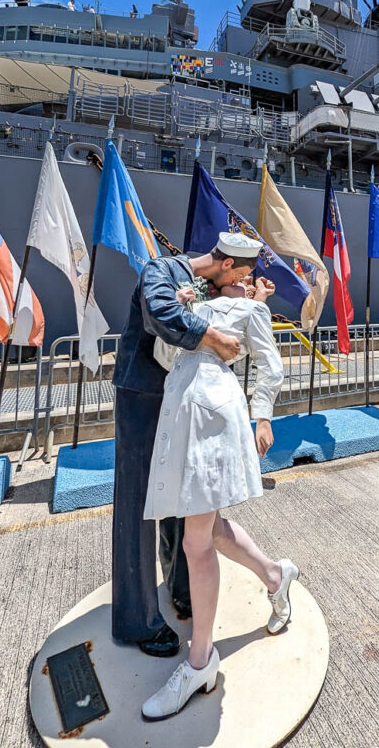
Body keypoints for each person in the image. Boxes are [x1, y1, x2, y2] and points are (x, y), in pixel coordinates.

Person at [141, 277, 299, 721]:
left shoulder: (252, 312)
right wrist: (176, 307)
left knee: (195, 540)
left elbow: (270, 365)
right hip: (181, 412)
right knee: (206, 530)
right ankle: (275, 574)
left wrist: (262, 414)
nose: (243, 283)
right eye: (238, 275)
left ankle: (199, 662)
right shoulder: (196, 307)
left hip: (212, 417)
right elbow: (164, 356)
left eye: (248, 277)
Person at [111, 232, 262, 657]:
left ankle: (183, 591)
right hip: (144, 395)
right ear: (227, 265)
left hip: (181, 397)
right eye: (242, 274)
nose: (242, 282)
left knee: (184, 495)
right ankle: (136, 621)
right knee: (138, 503)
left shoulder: (207, 293)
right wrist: (213, 337)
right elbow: (159, 312)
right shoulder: (159, 270)